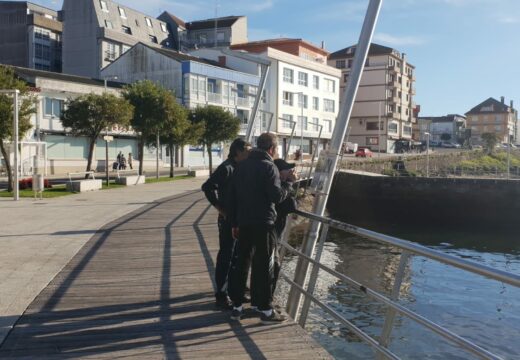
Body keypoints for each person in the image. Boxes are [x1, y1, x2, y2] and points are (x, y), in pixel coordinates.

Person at [229, 133, 293, 324]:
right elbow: (276, 196)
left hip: (244, 222)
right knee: (264, 266)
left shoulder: (242, 166)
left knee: (242, 264)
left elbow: (233, 198)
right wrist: (288, 183)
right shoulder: (269, 167)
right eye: (277, 149)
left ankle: (237, 307)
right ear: (272, 149)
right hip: (263, 223)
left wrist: (234, 223)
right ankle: (265, 310)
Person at [201, 138, 251, 309]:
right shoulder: (226, 167)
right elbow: (207, 186)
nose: (250, 153)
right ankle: (221, 295)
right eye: (247, 150)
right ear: (238, 151)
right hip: (228, 221)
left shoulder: (241, 167)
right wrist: (220, 208)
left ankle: (234, 290)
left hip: (240, 220)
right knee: (226, 256)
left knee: (237, 256)